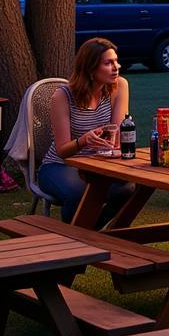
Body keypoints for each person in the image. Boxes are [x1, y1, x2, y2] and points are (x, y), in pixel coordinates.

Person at [39, 37, 135, 225]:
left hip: (99, 164)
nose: (117, 67)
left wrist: (113, 143)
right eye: (108, 63)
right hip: (61, 165)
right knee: (79, 192)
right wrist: (83, 140)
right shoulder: (63, 96)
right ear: (90, 69)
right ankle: (74, 241)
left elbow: (117, 139)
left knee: (129, 188)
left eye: (116, 61)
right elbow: (62, 151)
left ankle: (94, 233)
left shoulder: (119, 86)